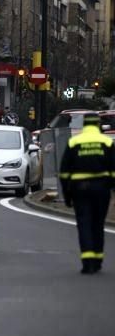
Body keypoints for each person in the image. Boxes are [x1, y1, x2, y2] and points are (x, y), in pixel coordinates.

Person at [59, 112, 115, 274]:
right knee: (98, 224)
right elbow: (113, 169)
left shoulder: (74, 142)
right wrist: (111, 187)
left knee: (84, 224)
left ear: (84, 125)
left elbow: (64, 172)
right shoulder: (106, 142)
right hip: (101, 189)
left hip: (80, 189)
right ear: (98, 125)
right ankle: (97, 260)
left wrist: (67, 195)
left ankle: (87, 261)